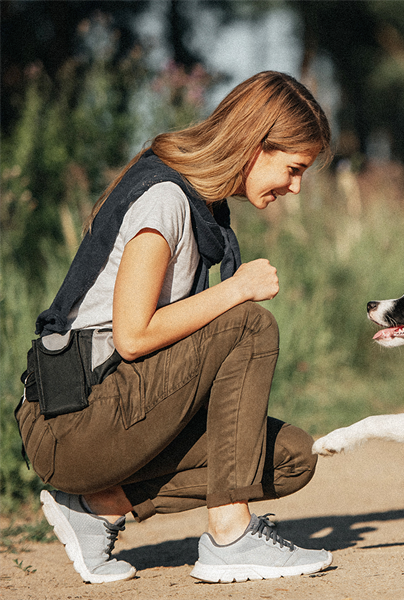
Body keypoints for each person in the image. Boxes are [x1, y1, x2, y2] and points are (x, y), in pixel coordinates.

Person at [15, 71, 333, 584]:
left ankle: (99, 504)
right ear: (255, 145)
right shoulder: (164, 197)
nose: (294, 187)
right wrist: (235, 288)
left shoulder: (205, 208)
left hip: (119, 411)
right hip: (70, 423)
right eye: (293, 169)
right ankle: (230, 535)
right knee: (249, 325)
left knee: (292, 457)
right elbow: (133, 336)